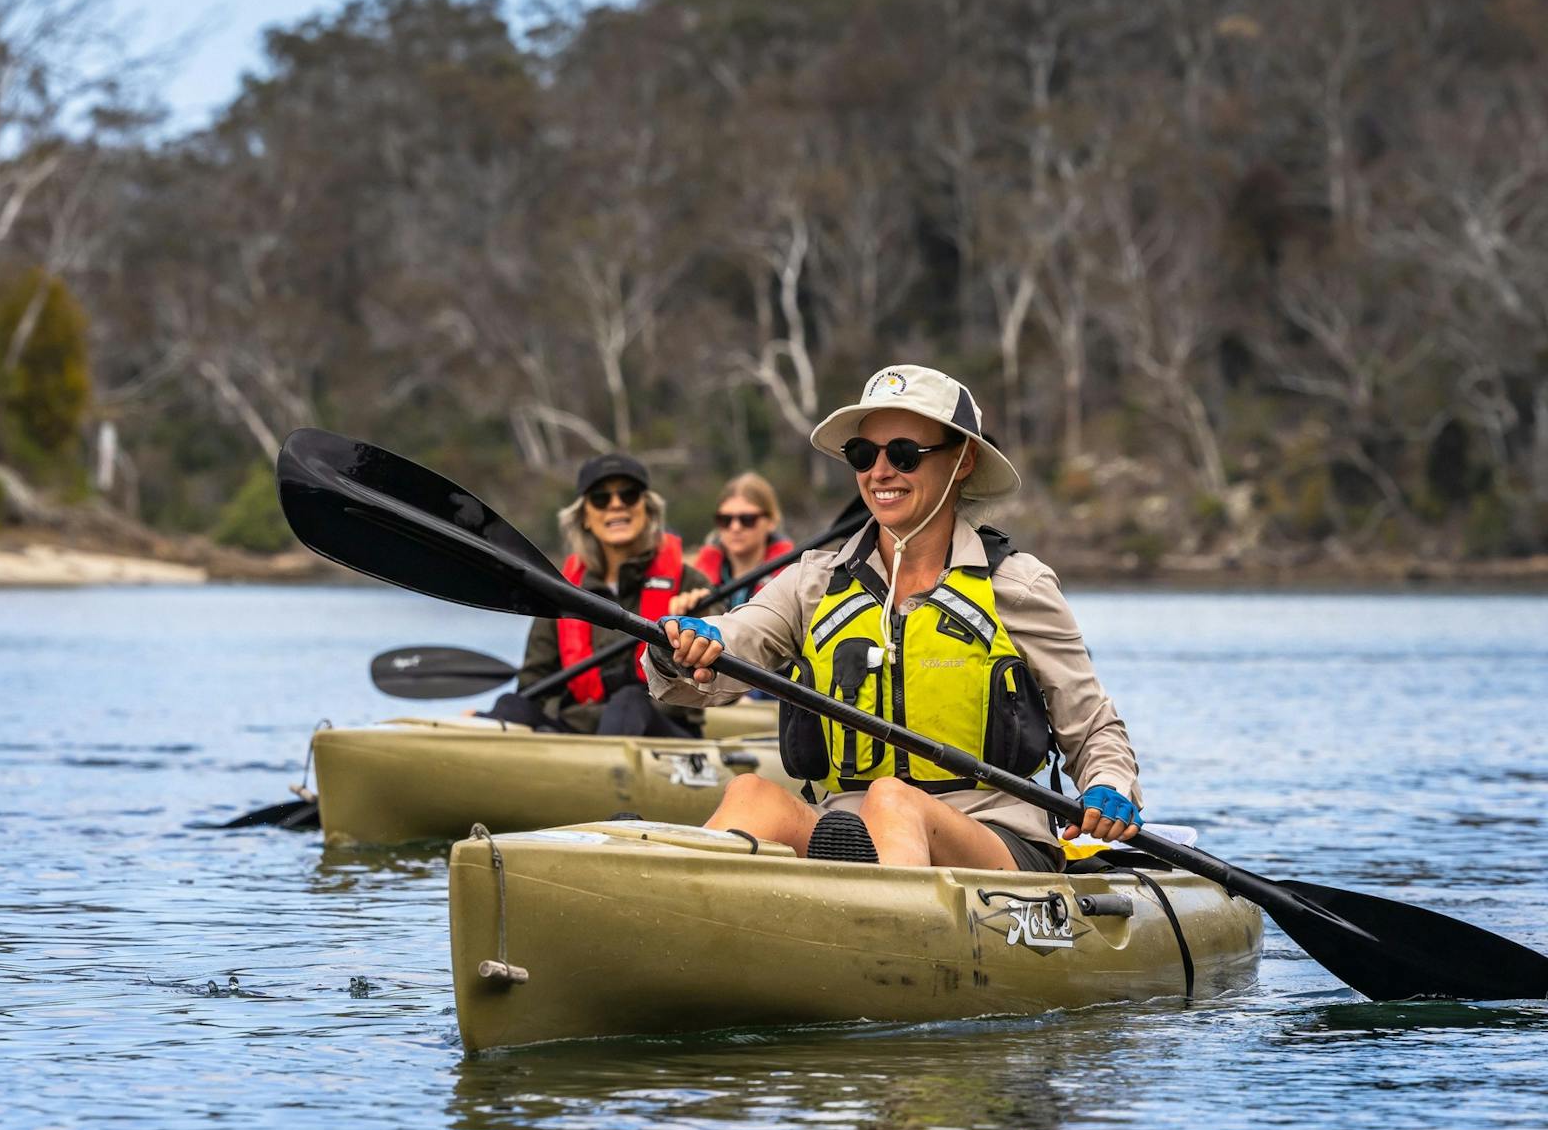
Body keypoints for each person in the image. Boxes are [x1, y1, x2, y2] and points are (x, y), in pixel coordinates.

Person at [643, 364, 1143, 870]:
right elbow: (721, 651)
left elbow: (1093, 726)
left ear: (963, 460)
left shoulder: (1017, 587)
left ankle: (877, 928)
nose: (880, 473)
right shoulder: (813, 582)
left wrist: (1108, 785)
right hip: (847, 827)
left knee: (893, 799)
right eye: (863, 455)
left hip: (994, 839)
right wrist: (678, 647)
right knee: (751, 794)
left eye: (904, 454)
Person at [486, 452, 712, 737]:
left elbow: (715, 680)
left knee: (628, 703)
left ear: (648, 510)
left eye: (628, 496)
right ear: (585, 518)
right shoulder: (560, 592)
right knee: (512, 705)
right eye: (601, 499)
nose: (616, 505)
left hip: (663, 730)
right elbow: (535, 683)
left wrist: (695, 621)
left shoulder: (690, 584)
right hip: (583, 728)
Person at [677, 473, 794, 611]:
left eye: (747, 519)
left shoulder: (794, 576)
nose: (735, 527)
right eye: (725, 520)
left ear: (771, 522)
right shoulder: (689, 577)